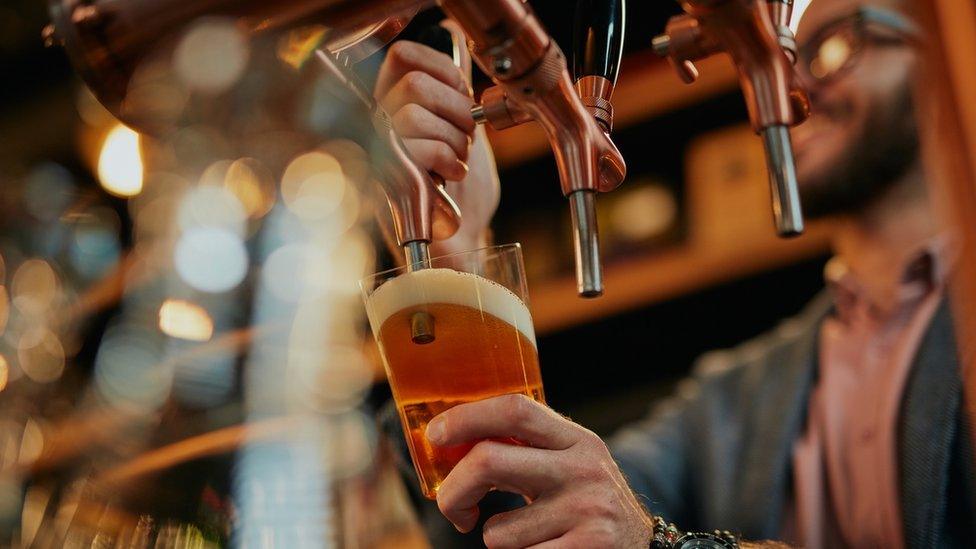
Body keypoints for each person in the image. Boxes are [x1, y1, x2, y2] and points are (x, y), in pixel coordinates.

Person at [372, 0, 975, 546]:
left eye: (837, 46)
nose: (793, 82)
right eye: (780, 54)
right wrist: (456, 254)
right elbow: (516, 517)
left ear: (948, 50)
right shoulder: (737, 397)